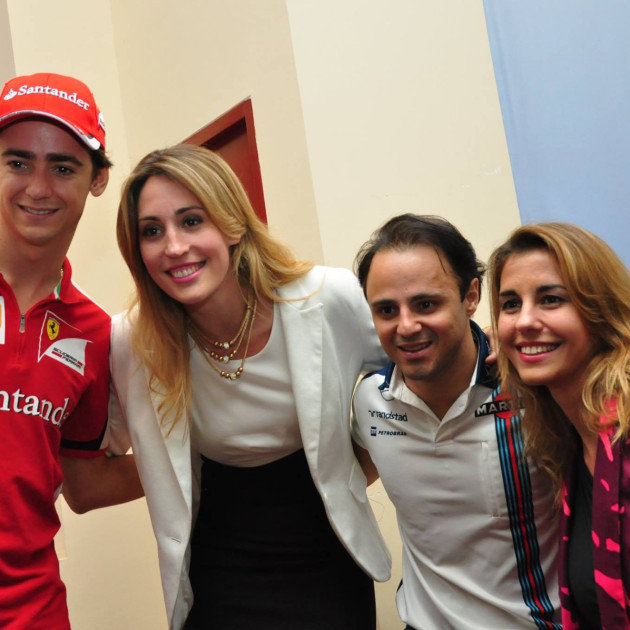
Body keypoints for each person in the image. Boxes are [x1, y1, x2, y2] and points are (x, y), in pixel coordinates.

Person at [107, 143, 391, 630]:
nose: (173, 247)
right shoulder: (132, 341)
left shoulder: (327, 298)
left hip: (327, 561)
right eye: (151, 231)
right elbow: (94, 463)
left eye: (191, 221)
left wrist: (358, 460)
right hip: (216, 569)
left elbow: (413, 376)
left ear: (233, 224)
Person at [351, 214, 560, 630]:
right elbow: (342, 479)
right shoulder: (370, 399)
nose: (406, 326)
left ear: (471, 296)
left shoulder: (534, 388)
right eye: (387, 310)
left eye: (426, 304)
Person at [0, 72, 142, 630]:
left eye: (62, 168)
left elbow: (83, 486)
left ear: (98, 179)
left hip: (33, 612)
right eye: (18, 162)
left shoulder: (94, 332)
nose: (38, 188)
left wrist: (210, 455)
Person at [488, 221, 630, 629]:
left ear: (602, 310)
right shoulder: (570, 440)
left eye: (551, 299)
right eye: (510, 304)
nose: (524, 321)